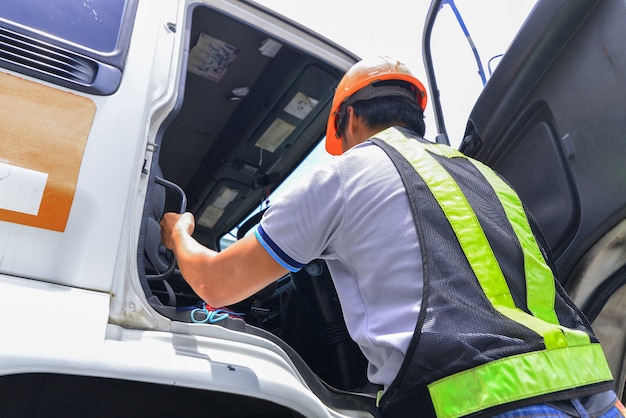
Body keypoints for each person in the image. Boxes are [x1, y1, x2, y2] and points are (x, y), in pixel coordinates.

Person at [160, 56, 624, 417]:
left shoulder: (343, 175)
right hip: (593, 392)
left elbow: (215, 286)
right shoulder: (486, 176)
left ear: (347, 119)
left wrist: (179, 233)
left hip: (480, 401)